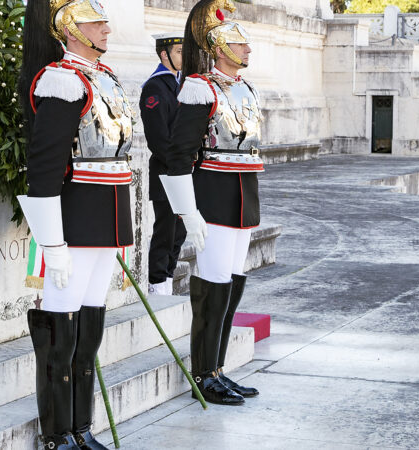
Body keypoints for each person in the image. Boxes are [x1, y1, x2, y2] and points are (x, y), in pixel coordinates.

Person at [17, 0, 133, 447]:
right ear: (70, 29)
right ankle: (56, 435)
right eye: (95, 21)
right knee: (60, 335)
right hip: (74, 222)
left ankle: (81, 429)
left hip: (107, 221)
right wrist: (52, 244)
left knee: (87, 336)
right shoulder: (63, 80)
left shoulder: (104, 78)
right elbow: (44, 167)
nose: (106, 27)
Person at [159, 0, 264, 405]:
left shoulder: (245, 89)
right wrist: (188, 211)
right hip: (214, 196)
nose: (248, 51)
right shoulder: (201, 88)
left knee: (233, 283)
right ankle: (203, 373)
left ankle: (218, 368)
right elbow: (178, 154)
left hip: (243, 195)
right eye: (240, 45)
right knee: (214, 283)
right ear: (220, 48)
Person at [141, 32, 186, 296]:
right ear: (164, 55)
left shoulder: (181, 84)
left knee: (179, 233)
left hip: (182, 173)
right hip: (167, 173)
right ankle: (157, 284)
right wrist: (179, 165)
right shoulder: (155, 87)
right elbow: (158, 139)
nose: (183, 56)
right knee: (166, 231)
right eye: (179, 51)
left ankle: (167, 278)